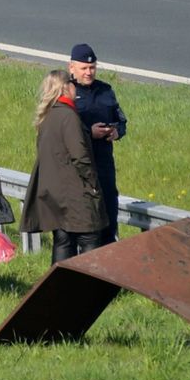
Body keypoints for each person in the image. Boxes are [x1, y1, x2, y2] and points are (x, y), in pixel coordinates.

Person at [21, 70, 109, 263]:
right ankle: (90, 289)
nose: (75, 87)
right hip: (75, 193)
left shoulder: (48, 117)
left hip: (54, 194)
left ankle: (58, 287)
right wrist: (93, 183)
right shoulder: (69, 117)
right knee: (90, 238)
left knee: (62, 241)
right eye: (72, 83)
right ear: (65, 87)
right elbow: (80, 156)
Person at [69, 43, 127, 243]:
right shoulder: (66, 92)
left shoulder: (105, 90)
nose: (88, 72)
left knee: (109, 212)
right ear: (72, 68)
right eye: (84, 68)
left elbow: (121, 120)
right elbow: (63, 129)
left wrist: (117, 132)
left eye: (92, 68)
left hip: (104, 163)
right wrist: (88, 133)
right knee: (85, 220)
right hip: (79, 166)